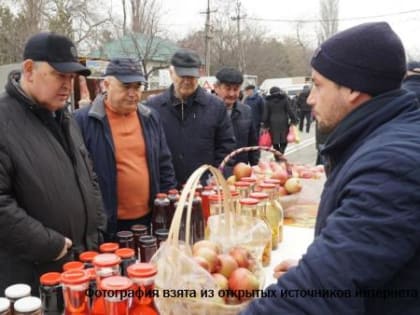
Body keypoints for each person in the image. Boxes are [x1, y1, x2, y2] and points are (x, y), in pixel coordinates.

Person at [241, 22, 420, 315]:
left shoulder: (391, 165)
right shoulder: (382, 138)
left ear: (352, 88)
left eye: (318, 85)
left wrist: (323, 275)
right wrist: (324, 264)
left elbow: (318, 297)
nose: (310, 98)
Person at [0, 32, 106, 292]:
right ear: (29, 69)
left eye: (71, 77)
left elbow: (88, 174)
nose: (67, 85)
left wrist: (98, 226)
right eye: (60, 75)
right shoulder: (4, 121)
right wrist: (52, 245)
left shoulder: (64, 117)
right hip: (34, 277)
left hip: (80, 264)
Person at [74, 58, 177, 238]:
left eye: (137, 87)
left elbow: (164, 164)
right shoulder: (83, 121)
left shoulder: (150, 118)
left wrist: (167, 209)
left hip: (149, 219)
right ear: (106, 84)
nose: (132, 93)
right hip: (107, 225)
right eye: (126, 86)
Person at [146, 49, 236, 185]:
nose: (187, 81)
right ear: (171, 73)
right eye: (182, 76)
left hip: (205, 189)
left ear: (199, 74)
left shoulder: (216, 107)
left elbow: (226, 149)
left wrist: (217, 178)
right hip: (165, 192)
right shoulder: (154, 107)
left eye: (191, 77)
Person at [214, 67, 259, 169]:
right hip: (214, 174)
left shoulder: (246, 111)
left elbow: (253, 143)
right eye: (228, 88)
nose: (232, 94)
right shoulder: (206, 111)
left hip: (240, 174)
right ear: (216, 88)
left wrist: (255, 166)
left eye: (236, 89)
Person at [262, 86, 298, 154]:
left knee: (274, 141)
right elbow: (289, 110)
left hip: (272, 123)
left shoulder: (268, 101)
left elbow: (265, 114)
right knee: (284, 139)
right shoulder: (284, 99)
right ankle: (281, 152)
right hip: (283, 122)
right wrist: (294, 120)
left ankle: (277, 155)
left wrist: (265, 124)